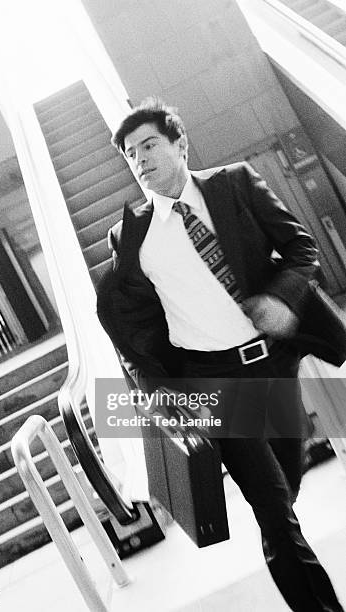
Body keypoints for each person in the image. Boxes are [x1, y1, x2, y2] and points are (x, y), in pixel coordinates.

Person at [96, 98, 344, 611]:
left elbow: (301, 248)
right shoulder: (130, 237)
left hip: (273, 367)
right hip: (212, 381)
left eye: (149, 146)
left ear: (180, 144)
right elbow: (128, 325)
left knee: (284, 494)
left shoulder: (235, 183)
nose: (140, 160)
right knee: (275, 512)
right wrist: (157, 391)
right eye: (130, 155)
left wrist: (281, 296)